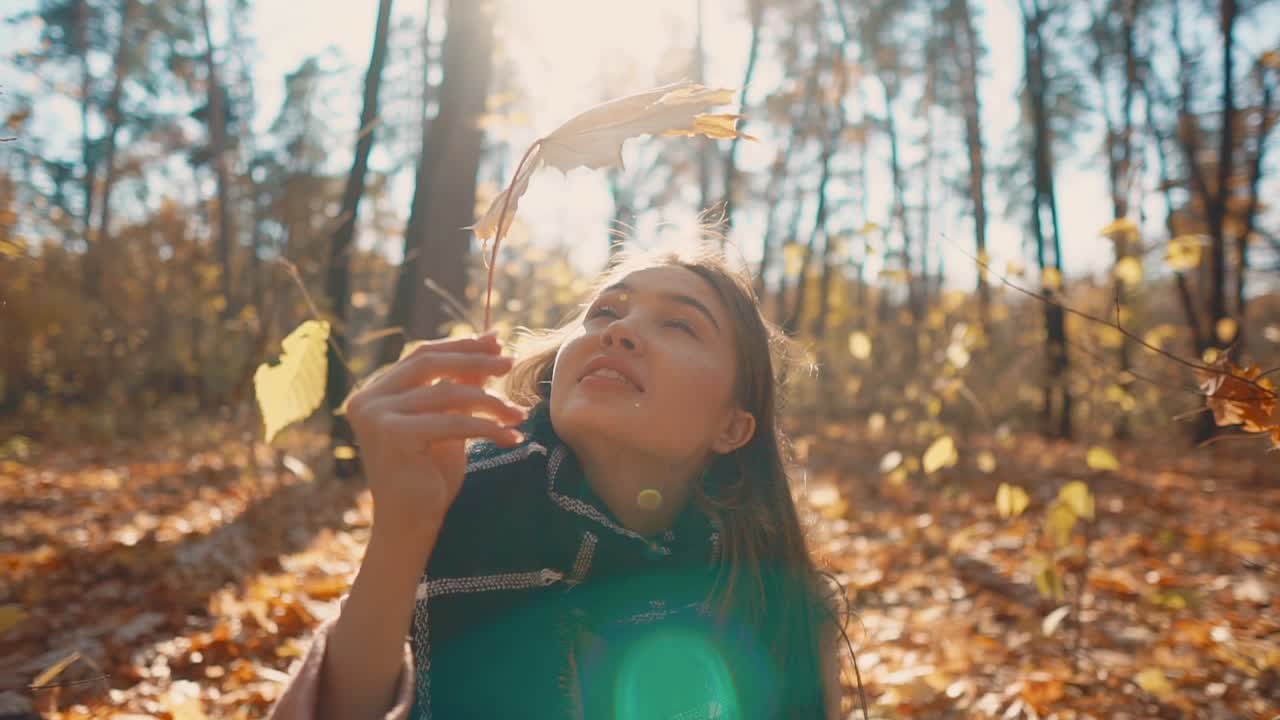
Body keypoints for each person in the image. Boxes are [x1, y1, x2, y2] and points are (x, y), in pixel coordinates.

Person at [268, 241, 850, 720]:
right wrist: (403, 527)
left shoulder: (785, 606)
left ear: (732, 426)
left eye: (678, 324)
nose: (619, 332)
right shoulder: (462, 505)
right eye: (605, 311)